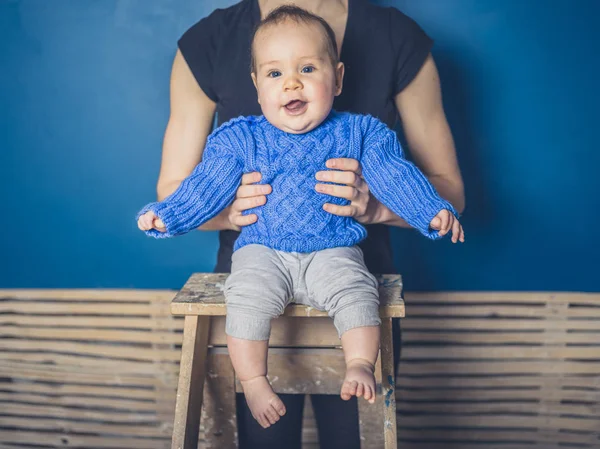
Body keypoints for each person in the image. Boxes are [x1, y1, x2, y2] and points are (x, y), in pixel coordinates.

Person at [138, 4, 464, 431]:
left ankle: (360, 364)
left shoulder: (360, 132)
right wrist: (169, 215)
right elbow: (203, 185)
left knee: (356, 290)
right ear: (256, 86)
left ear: (338, 78)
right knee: (246, 297)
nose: (291, 82)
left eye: (308, 69)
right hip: (262, 250)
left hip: (334, 248)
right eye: (275, 74)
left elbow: (397, 176)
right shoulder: (240, 137)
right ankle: (254, 380)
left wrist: (429, 210)